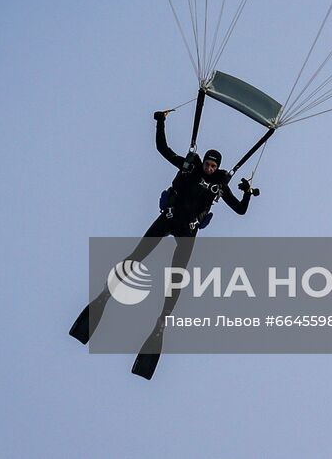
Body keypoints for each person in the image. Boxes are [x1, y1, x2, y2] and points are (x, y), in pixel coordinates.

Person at [69, 107, 257, 377]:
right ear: (203, 161)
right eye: (208, 162)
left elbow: (240, 210)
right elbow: (162, 149)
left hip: (187, 232)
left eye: (214, 165)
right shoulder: (189, 168)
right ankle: (105, 296)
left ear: (217, 167)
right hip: (168, 219)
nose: (210, 167)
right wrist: (160, 122)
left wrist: (248, 193)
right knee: (135, 258)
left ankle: (161, 323)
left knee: (176, 280)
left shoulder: (218, 185)